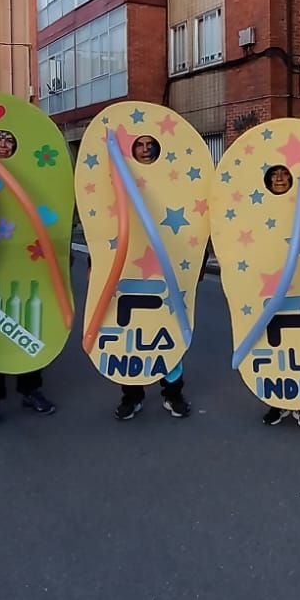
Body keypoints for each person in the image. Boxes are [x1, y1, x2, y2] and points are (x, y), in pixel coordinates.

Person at [0, 130, 56, 428]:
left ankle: (30, 390)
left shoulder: (31, 172)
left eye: (9, 139)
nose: (3, 144)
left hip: (29, 260)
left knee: (31, 327)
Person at [114, 131, 189, 420]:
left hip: (169, 266)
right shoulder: (121, 178)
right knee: (130, 334)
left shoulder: (173, 181)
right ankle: (132, 396)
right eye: (139, 145)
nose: (145, 149)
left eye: (150, 145)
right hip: (129, 267)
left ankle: (173, 393)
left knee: (169, 332)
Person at [258, 165, 300, 428]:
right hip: (268, 284)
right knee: (274, 344)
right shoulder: (258, 208)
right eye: (274, 174)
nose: (279, 178)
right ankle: (277, 401)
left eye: (284, 173)